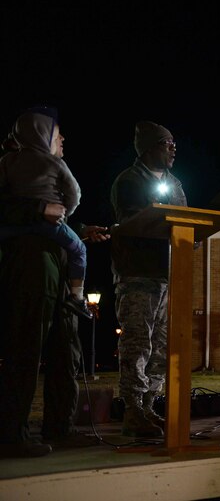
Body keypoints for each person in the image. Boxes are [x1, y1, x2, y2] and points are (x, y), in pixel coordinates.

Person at [0, 108, 110, 458]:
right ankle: (12, 435)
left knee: (66, 350)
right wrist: (37, 212)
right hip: (31, 268)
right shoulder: (8, 163)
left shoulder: (47, 170)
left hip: (58, 269)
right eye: (57, 133)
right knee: (26, 350)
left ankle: (59, 427)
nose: (63, 139)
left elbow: (55, 215)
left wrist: (78, 232)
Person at [110, 120, 186, 438]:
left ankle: (151, 406)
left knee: (160, 347)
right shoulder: (129, 181)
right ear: (149, 148)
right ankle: (133, 408)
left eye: (173, 143)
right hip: (138, 275)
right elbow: (132, 223)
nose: (173, 148)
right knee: (138, 342)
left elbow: (184, 220)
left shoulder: (176, 183)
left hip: (168, 276)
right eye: (167, 143)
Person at [0, 107, 93, 319]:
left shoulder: (7, 162)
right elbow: (75, 193)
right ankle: (77, 297)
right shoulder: (56, 163)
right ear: (42, 136)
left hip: (16, 231)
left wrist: (80, 228)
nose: (62, 138)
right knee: (79, 250)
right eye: (56, 133)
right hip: (36, 266)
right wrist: (58, 212)